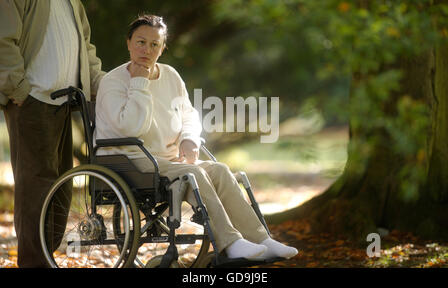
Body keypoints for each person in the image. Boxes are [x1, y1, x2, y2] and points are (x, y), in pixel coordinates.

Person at [94, 14, 298, 261]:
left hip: (167, 159)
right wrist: (139, 82)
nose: (146, 50)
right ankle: (231, 243)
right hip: (129, 159)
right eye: (140, 42)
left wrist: (189, 138)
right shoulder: (113, 81)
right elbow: (130, 129)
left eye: (154, 44)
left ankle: (261, 239)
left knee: (219, 170)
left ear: (162, 49)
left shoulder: (170, 75)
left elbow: (189, 113)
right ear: (128, 43)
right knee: (193, 174)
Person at [0, 0, 105, 267]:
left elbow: (85, 42)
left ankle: (46, 255)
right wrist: (18, 89)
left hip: (65, 102)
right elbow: (2, 40)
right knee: (36, 188)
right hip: (31, 101)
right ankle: (34, 262)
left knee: (61, 186)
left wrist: (98, 83)